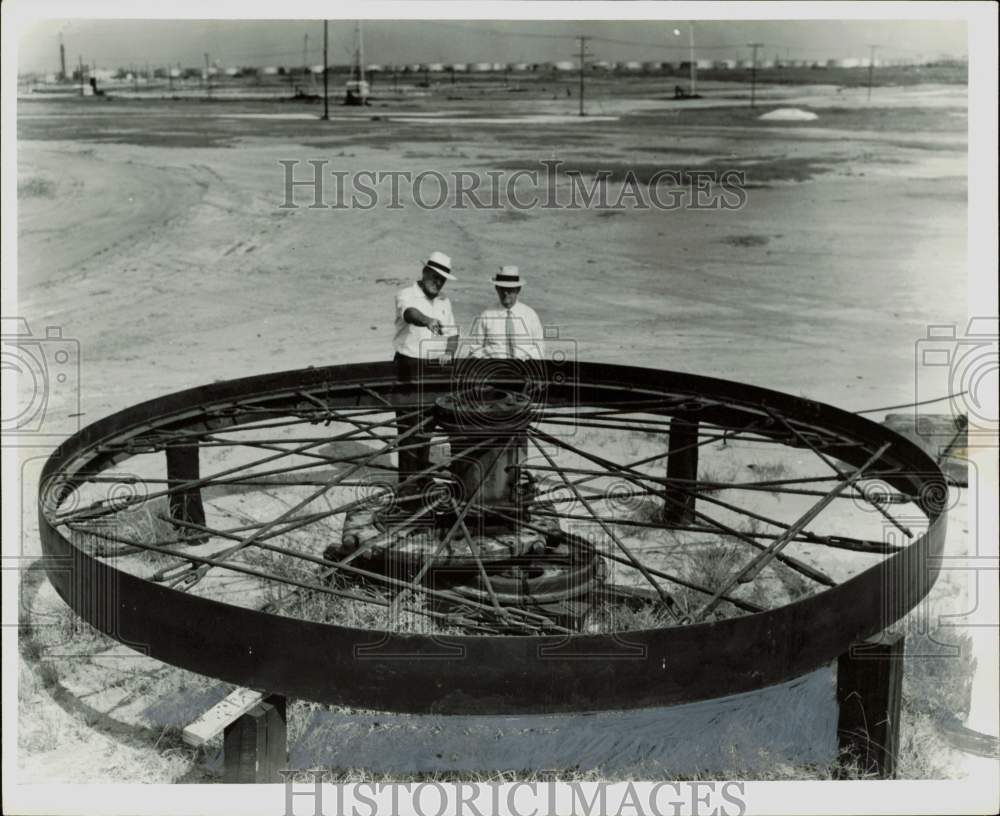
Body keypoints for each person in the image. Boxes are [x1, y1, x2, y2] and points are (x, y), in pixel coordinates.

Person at [392, 251, 459, 496]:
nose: (438, 282)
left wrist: (450, 352)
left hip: (435, 370)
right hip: (409, 367)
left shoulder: (444, 302)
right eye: (435, 276)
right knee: (409, 431)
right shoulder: (406, 294)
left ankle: (423, 482)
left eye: (442, 279)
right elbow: (410, 313)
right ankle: (407, 491)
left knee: (428, 428)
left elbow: (453, 334)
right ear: (424, 272)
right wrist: (427, 320)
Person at [468, 266, 544, 361]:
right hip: (493, 370)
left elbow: (539, 349)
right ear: (496, 288)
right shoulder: (486, 316)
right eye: (502, 288)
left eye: (510, 289)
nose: (506, 293)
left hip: (524, 370)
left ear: (518, 289)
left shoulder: (530, 316)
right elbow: (475, 350)